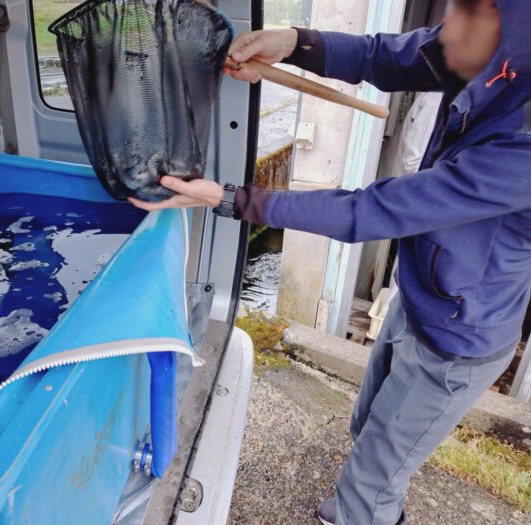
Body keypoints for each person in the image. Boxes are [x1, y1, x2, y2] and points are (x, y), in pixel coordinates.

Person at [129, 0, 531, 523]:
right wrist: (296, 43)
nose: (445, 31)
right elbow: (388, 56)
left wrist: (230, 198)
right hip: (422, 294)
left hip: (460, 336)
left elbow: (373, 211)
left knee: (373, 485)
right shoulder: (486, 44)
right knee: (369, 426)